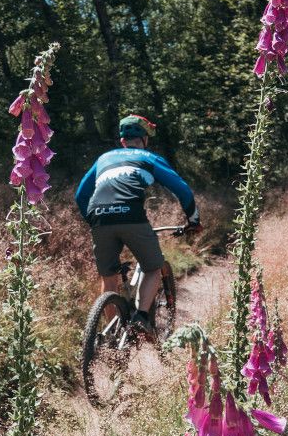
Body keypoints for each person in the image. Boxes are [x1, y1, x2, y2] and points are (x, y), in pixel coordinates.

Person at [74, 113, 200, 337]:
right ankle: (141, 318)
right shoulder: (149, 157)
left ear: (123, 141)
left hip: (99, 217)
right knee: (153, 267)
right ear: (145, 139)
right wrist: (194, 220)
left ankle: (111, 335)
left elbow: (81, 195)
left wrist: (94, 220)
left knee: (109, 278)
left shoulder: (104, 158)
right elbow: (182, 189)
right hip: (131, 216)